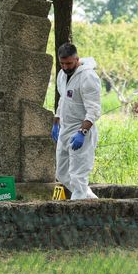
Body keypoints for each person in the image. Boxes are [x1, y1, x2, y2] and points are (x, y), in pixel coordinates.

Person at [51, 42, 101, 200]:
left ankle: (77, 213)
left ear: (77, 59)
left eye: (69, 63)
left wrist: (82, 132)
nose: (65, 67)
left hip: (81, 130)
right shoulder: (62, 75)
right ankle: (91, 201)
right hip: (65, 129)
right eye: (62, 63)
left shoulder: (88, 77)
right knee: (62, 173)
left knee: (78, 175)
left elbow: (94, 109)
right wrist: (56, 122)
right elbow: (63, 101)